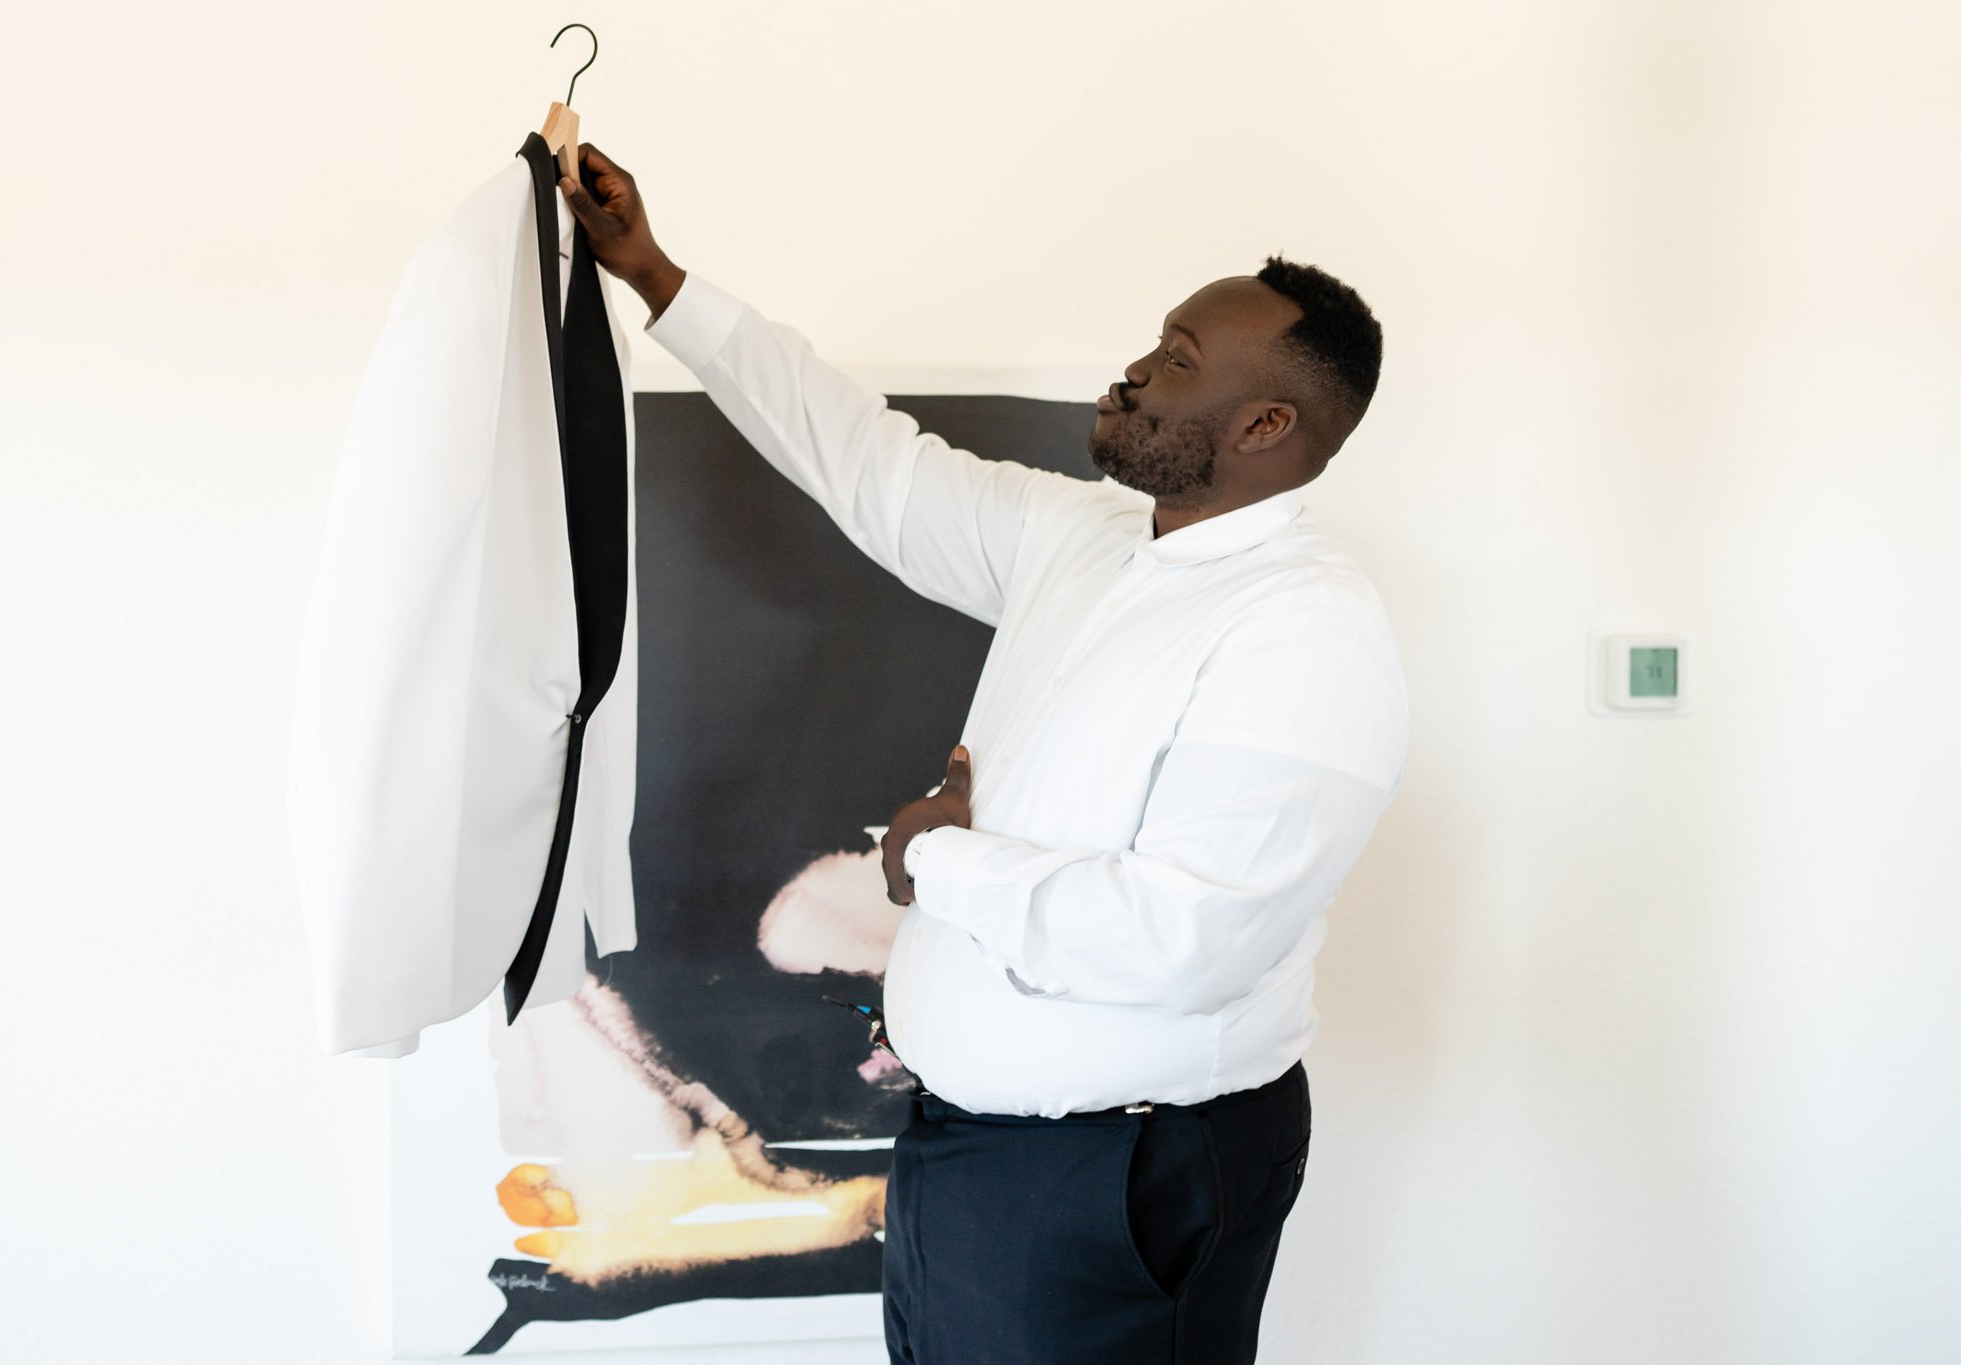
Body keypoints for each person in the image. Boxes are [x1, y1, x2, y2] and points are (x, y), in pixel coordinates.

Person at [559, 142, 1408, 1364]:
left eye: (1177, 361)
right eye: (1156, 339)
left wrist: (936, 859)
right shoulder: (1088, 539)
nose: (1135, 372)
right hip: (972, 1155)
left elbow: (1183, 941)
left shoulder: (1306, 629)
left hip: (1111, 1174)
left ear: (1266, 423)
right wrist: (658, 280)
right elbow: (865, 463)